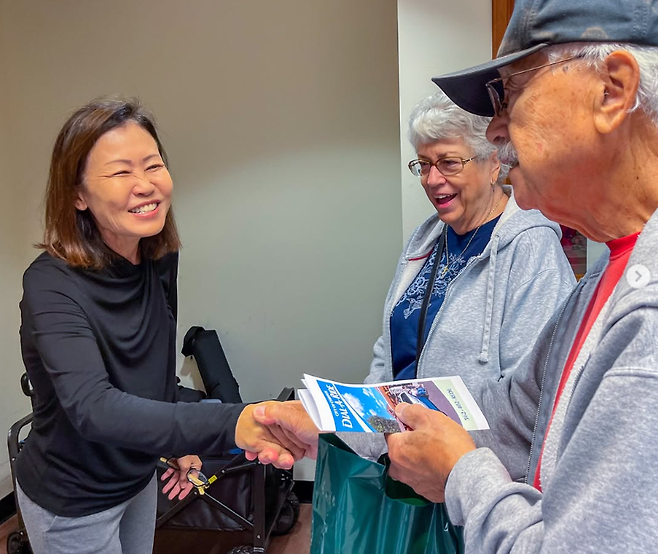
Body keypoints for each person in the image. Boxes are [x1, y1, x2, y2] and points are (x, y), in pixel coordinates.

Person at [379, 0, 658, 551]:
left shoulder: (648, 320)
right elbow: (510, 415)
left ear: (612, 89)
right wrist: (333, 422)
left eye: (511, 93)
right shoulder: (601, 283)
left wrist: (462, 475)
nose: (498, 127)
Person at [15, 97, 312, 554]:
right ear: (77, 193)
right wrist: (238, 419)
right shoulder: (50, 283)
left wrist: (176, 443)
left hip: (136, 476)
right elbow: (94, 408)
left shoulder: (157, 256)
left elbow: (151, 374)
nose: (145, 185)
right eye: (120, 172)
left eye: (153, 166)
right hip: (74, 499)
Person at [361, 91, 575, 473]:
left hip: (479, 480)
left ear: (494, 162)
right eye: (423, 165)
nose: (432, 180)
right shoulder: (425, 240)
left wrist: (452, 466)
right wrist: (376, 438)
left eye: (448, 162)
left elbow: (532, 399)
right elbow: (388, 359)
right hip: (407, 467)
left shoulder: (531, 249)